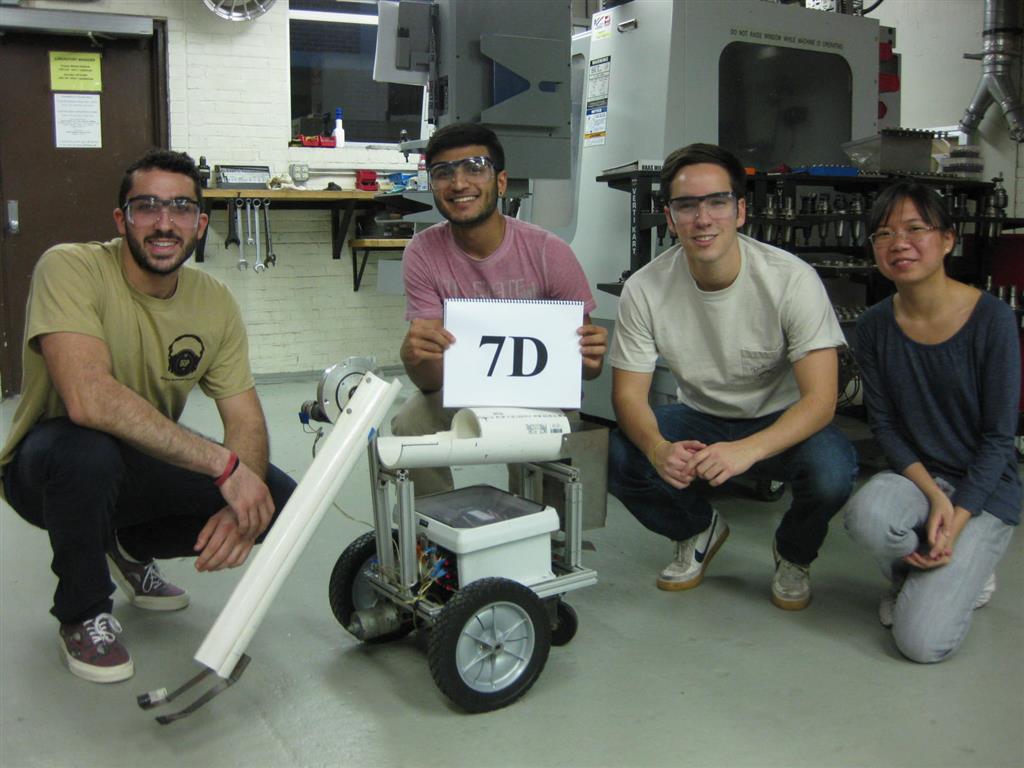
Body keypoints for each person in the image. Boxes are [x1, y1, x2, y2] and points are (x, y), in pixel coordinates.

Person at [0, 149, 296, 683]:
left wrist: (244, 489)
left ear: (200, 225)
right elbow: (88, 399)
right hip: (47, 469)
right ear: (122, 220)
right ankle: (84, 612)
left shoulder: (214, 301)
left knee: (274, 498)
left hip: (138, 462)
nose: (165, 223)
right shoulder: (69, 267)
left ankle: (129, 545)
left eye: (181, 208)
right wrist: (224, 468)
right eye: (147, 207)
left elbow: (245, 419)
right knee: (87, 451)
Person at [607, 143, 857, 610]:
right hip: (700, 418)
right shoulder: (645, 289)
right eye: (687, 205)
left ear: (740, 211)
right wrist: (659, 449)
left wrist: (747, 450)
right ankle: (697, 528)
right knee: (619, 455)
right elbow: (628, 397)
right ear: (670, 217)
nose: (703, 219)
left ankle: (794, 552)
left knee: (833, 473)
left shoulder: (790, 279)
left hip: (782, 419)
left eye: (717, 202)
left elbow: (821, 400)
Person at [843, 179, 1019, 663]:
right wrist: (936, 496)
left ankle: (969, 567)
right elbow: (885, 426)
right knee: (867, 516)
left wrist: (956, 518)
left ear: (947, 240)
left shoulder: (992, 320)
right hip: (919, 480)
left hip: (985, 491)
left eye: (914, 229)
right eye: (883, 233)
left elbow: (999, 439)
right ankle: (911, 573)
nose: (898, 243)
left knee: (921, 644)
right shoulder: (874, 326)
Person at [394, 123, 607, 495]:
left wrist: (590, 356)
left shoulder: (549, 252)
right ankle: (434, 524)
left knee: (557, 442)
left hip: (537, 394)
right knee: (411, 423)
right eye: (443, 173)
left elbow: (588, 370)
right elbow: (429, 382)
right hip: (460, 388)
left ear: (502, 182)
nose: (459, 183)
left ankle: (544, 524)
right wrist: (414, 356)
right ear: (433, 186)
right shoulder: (422, 253)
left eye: (474, 168)